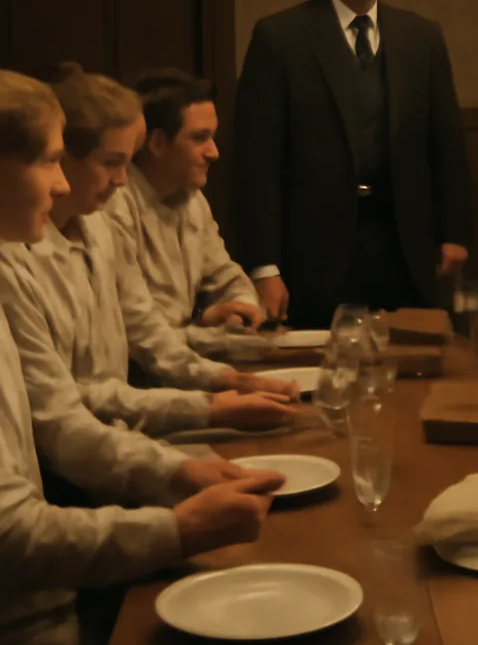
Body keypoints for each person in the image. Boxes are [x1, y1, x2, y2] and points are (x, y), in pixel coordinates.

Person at [0, 69, 283, 645]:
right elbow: (23, 511)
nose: (62, 183)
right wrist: (175, 525)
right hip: (26, 616)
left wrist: (190, 456)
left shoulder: (87, 230)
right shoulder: (13, 264)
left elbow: (134, 345)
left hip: (45, 589)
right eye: (49, 161)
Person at [0, 67, 296, 441]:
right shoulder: (17, 257)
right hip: (111, 436)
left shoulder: (98, 227)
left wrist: (230, 378)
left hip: (126, 431)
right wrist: (208, 406)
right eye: (112, 162)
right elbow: (64, 407)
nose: (123, 179)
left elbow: (148, 328)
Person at [235, 0, 472, 327]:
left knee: (415, 366)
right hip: (313, 259)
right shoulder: (280, 39)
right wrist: (264, 267)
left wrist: (454, 233)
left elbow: (447, 146)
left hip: (408, 255)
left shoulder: (422, 38)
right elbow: (256, 164)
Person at [105, 69, 264, 355]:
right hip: (136, 372)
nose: (214, 152)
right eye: (200, 138)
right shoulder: (114, 204)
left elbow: (227, 276)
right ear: (156, 143)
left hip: (187, 359)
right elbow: (139, 334)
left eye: (213, 137)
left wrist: (238, 311)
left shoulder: (193, 199)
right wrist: (209, 329)